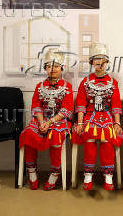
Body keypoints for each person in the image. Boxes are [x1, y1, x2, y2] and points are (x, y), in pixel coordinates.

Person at [19, 48, 73, 190]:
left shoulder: (68, 87)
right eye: (49, 66)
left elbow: (66, 110)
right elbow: (36, 105)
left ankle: (55, 173)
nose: (52, 69)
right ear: (45, 69)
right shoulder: (39, 86)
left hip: (59, 121)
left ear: (62, 68)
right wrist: (42, 121)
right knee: (28, 133)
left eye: (55, 66)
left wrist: (49, 122)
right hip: (41, 119)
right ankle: (31, 171)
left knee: (55, 134)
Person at [73, 43, 123, 191]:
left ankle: (108, 176)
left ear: (107, 62)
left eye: (102, 60)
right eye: (96, 60)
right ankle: (88, 175)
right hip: (89, 116)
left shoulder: (113, 82)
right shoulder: (86, 82)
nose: (100, 63)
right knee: (89, 135)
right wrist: (81, 122)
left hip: (107, 116)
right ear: (92, 63)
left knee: (107, 136)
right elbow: (81, 104)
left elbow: (115, 105)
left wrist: (117, 123)